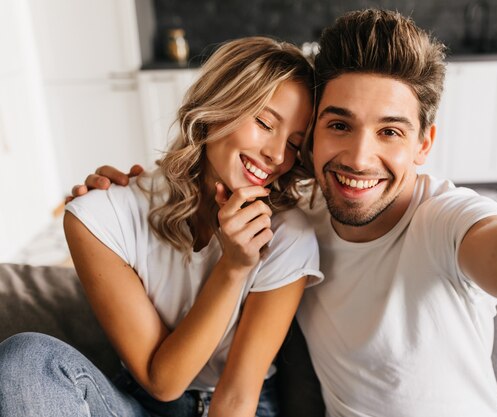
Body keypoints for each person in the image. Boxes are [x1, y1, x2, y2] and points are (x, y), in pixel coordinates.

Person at [66, 2, 497, 417]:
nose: (360, 157)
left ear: (424, 144)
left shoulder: (445, 220)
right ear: (312, 143)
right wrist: (126, 191)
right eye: (338, 126)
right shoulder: (294, 220)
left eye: (390, 131)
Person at [0, 36, 324, 417]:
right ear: (218, 105)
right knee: (26, 359)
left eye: (294, 144)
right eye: (265, 123)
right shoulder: (100, 217)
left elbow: (238, 396)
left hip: (239, 407)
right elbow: (163, 382)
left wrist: (242, 263)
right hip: (140, 404)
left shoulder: (289, 235)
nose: (276, 155)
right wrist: (233, 268)